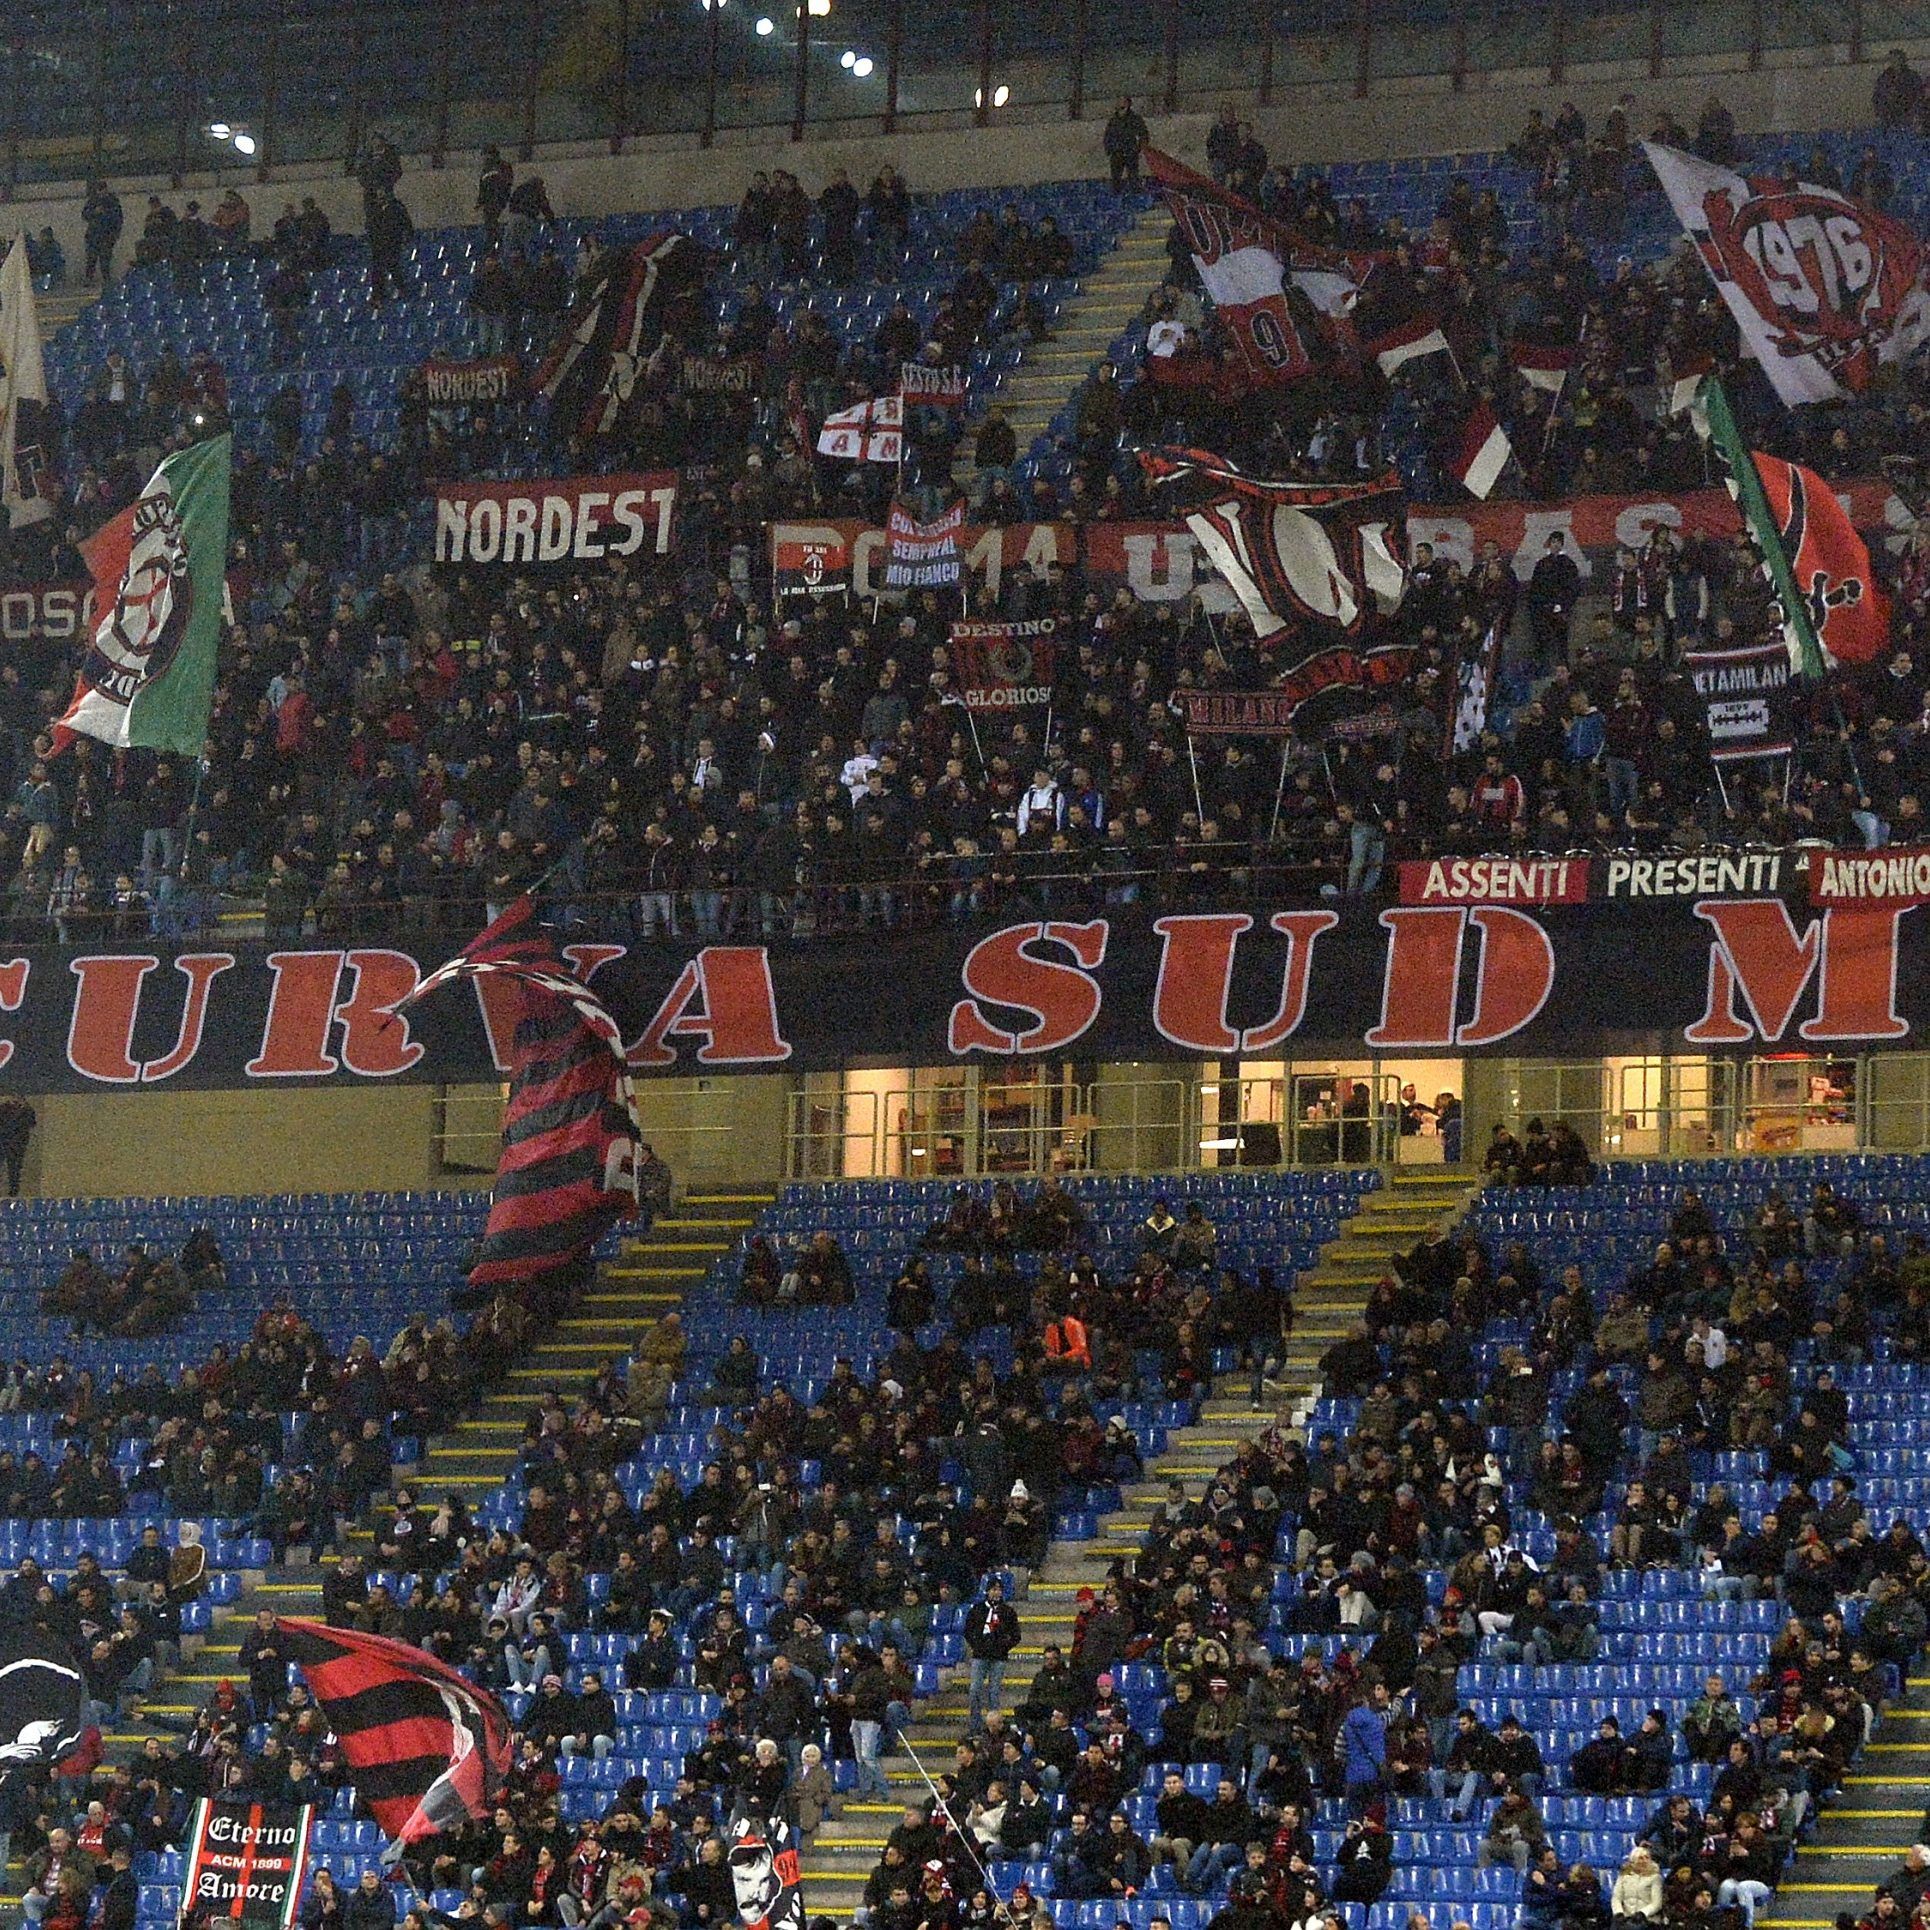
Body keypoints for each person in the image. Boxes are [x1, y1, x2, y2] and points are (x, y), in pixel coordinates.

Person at [963, 1577, 1018, 1726]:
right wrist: (977, 1645)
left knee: (993, 1693)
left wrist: (1004, 1646)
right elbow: (968, 1631)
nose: (996, 1593)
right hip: (980, 1655)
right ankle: (975, 1724)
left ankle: (994, 1726)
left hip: (998, 1656)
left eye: (999, 1590)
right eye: (993, 1589)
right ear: (987, 1591)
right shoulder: (977, 1610)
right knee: (975, 1690)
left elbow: (1016, 1635)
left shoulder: (1008, 1611)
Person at [1104, 97, 1149, 192]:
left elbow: (1144, 134)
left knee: (1133, 177)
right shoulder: (1113, 120)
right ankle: (1116, 196)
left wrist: (1139, 148)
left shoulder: (1135, 118)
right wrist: (1109, 149)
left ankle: (1134, 196)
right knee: (1115, 178)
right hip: (1116, 153)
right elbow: (1107, 136)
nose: (1119, 103)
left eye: (1122, 101)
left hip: (1130, 152)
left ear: (1128, 104)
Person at [0, 1095, 35, 1195]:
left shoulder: (27, 1111)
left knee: (14, 1169)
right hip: (3, 1142)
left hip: (17, 1145)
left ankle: (14, 1191)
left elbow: (32, 1123)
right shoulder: (3, 1109)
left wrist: (26, 1109)